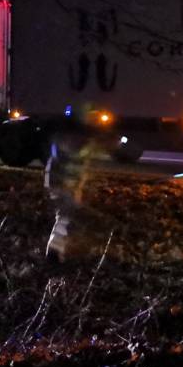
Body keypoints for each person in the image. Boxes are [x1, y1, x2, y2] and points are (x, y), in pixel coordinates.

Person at [45, 103, 106, 263]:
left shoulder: (68, 134)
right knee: (65, 217)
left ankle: (56, 251)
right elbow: (75, 154)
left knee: (65, 218)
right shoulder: (74, 137)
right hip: (63, 185)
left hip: (62, 183)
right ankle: (54, 253)